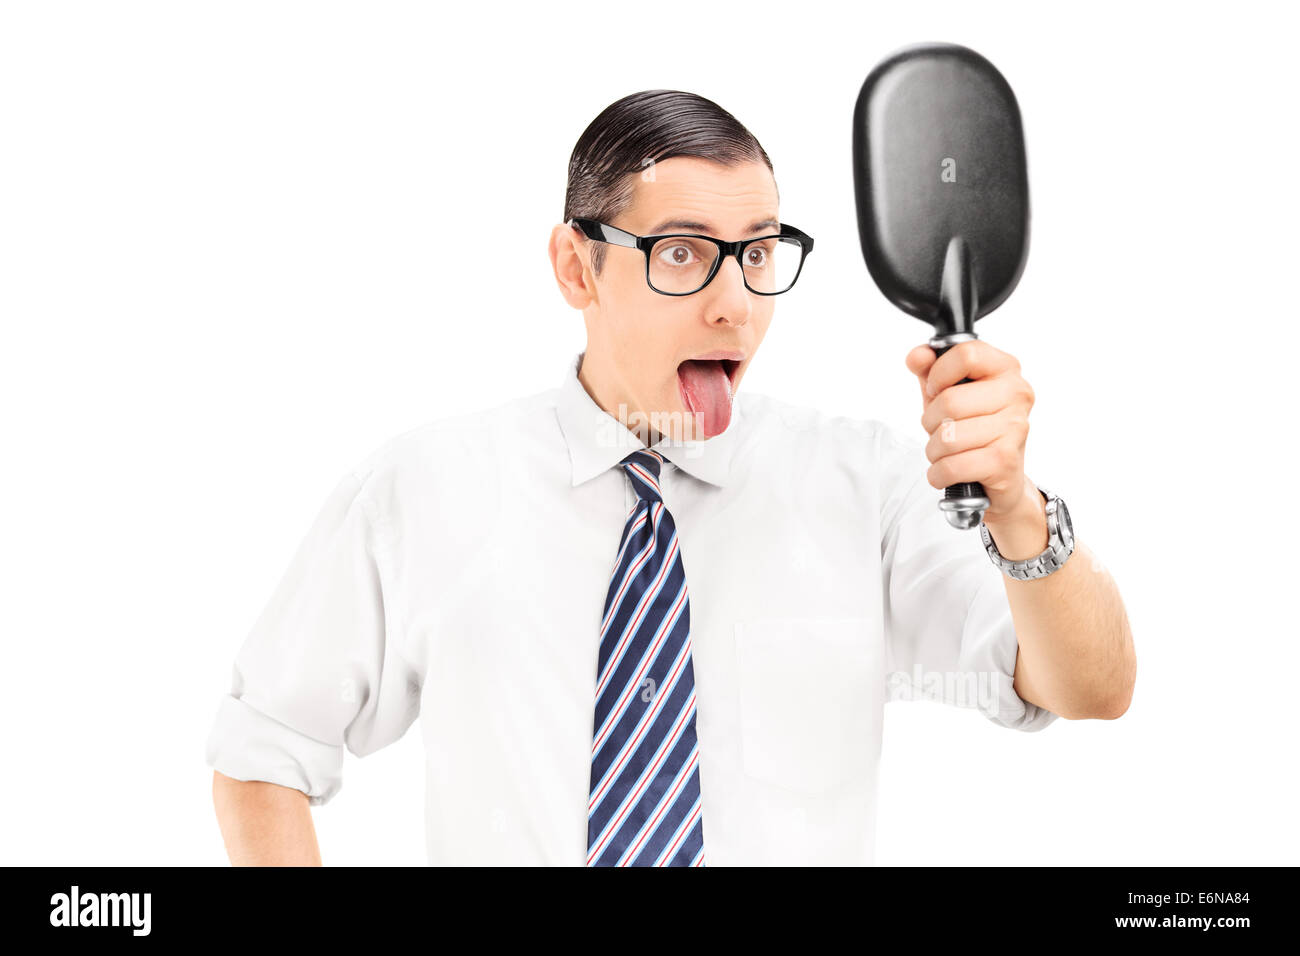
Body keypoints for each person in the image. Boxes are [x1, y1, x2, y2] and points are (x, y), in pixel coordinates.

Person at [206, 89, 1136, 866]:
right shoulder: (425, 487)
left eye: (760, 253)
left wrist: (1016, 508)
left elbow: (1088, 687)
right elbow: (264, 750)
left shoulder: (867, 486)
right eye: (683, 252)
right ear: (578, 266)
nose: (733, 304)